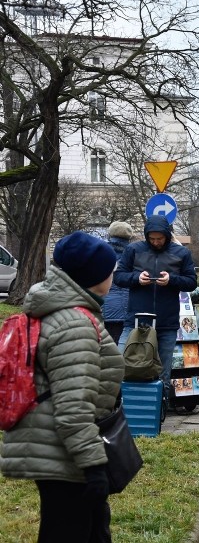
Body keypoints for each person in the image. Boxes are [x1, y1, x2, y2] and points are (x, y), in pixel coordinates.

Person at [1, 232, 124, 542]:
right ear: (94, 276)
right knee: (67, 531)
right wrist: (93, 464)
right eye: (111, 270)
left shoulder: (69, 310)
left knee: (93, 530)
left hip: (60, 446)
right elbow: (73, 407)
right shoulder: (74, 324)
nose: (114, 275)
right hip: (64, 451)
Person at [114, 215, 197, 385]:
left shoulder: (181, 253)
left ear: (167, 235)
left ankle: (160, 409)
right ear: (146, 236)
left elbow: (191, 281)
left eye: (160, 238)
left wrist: (171, 280)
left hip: (166, 323)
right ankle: (125, 406)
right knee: (121, 366)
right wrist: (136, 278)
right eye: (152, 238)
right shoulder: (134, 250)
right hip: (136, 321)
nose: (156, 242)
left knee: (163, 373)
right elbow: (119, 277)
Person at [102, 221, 134, 343]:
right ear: (129, 237)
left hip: (105, 309)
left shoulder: (101, 252)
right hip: (128, 309)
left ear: (110, 234)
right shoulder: (135, 253)